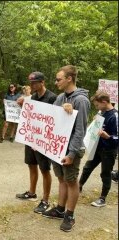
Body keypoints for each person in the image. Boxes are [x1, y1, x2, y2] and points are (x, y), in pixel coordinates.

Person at [42, 65, 90, 232]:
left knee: (71, 181)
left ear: (69, 78)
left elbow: (80, 130)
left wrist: (71, 153)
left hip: (71, 150)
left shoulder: (81, 100)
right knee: (62, 179)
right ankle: (60, 209)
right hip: (57, 147)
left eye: (58, 79)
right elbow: (50, 118)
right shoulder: (61, 97)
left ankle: (70, 215)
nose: (56, 82)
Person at [15, 72, 57, 215]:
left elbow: (55, 121)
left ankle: (45, 200)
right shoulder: (32, 97)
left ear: (42, 82)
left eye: (34, 83)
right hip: (31, 137)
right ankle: (32, 192)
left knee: (45, 169)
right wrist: (22, 106)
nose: (31, 85)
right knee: (31, 165)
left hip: (43, 141)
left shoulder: (52, 97)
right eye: (31, 83)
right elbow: (30, 116)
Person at [78, 91, 118, 207]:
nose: (97, 108)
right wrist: (96, 119)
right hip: (97, 147)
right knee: (87, 167)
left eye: (97, 105)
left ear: (104, 102)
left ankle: (102, 198)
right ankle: (79, 186)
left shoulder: (115, 116)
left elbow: (117, 138)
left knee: (105, 173)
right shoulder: (102, 111)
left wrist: (108, 136)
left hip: (109, 150)